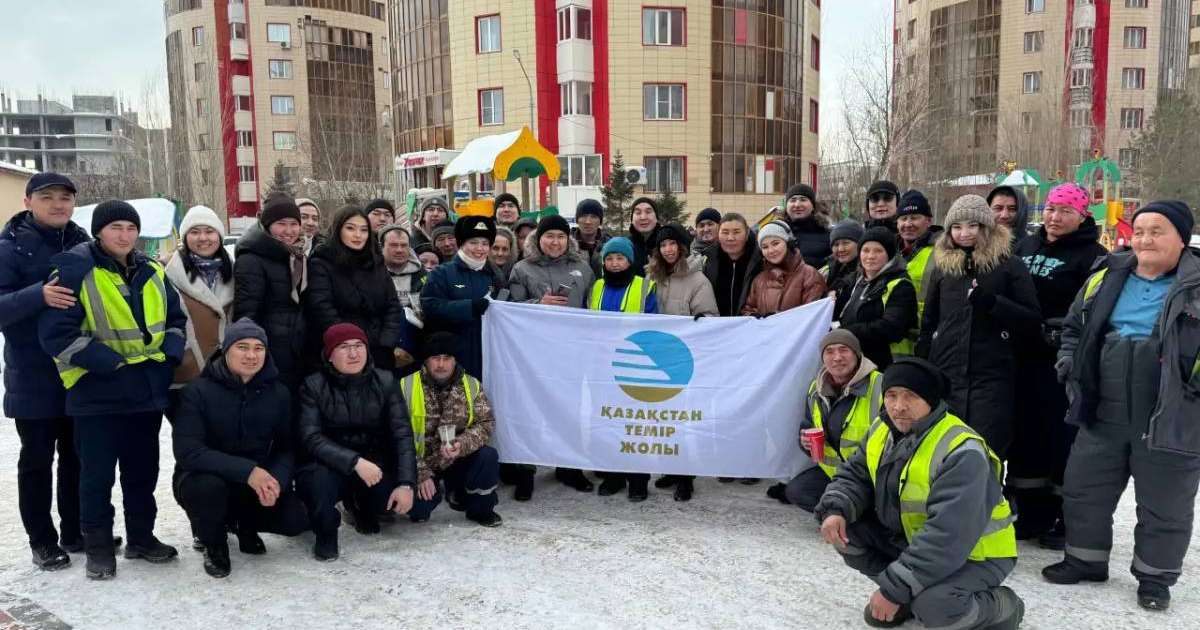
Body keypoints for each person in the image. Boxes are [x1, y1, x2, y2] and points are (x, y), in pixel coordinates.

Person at [1042, 202, 1200, 612]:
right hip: (1103, 403)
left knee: (1165, 501)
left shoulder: (1195, 284)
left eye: (1157, 231)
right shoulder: (1108, 273)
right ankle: (1085, 560)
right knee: (1085, 487)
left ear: (1182, 238)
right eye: (1141, 230)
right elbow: (1074, 326)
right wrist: (1068, 363)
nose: (1145, 239)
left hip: (1171, 412)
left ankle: (1155, 578)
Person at [39, 200, 189, 580]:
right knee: (96, 477)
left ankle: (141, 537)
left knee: (142, 472)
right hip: (96, 393)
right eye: (116, 227)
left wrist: (171, 351)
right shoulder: (74, 270)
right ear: (100, 231)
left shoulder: (152, 269)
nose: (124, 235)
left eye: (130, 228)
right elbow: (56, 334)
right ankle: (99, 549)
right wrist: (106, 364)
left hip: (145, 391)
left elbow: (175, 316)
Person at [815, 358, 1024, 629]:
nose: (899, 407)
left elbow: (947, 536)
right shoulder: (882, 428)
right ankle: (909, 594)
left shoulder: (961, 451)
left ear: (931, 400)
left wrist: (892, 590)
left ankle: (1005, 608)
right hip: (918, 544)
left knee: (937, 609)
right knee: (847, 533)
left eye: (910, 396)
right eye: (891, 395)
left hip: (975, 554)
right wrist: (836, 509)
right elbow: (854, 474)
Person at [1008, 182, 1107, 548]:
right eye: (1050, 209)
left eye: (1065, 211)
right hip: (1023, 358)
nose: (1055, 217)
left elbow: (1093, 310)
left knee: (1062, 440)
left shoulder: (1092, 255)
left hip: (1062, 362)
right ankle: (1031, 515)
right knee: (1026, 436)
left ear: (1082, 215)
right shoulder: (1026, 245)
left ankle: (1064, 520)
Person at [0, 173, 90, 570]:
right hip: (33, 376)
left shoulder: (84, 242)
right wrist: (38, 295)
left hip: (79, 371)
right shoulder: (9, 249)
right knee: (37, 461)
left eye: (65, 198)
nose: (58, 204)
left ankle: (75, 531)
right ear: (28, 201)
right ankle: (42, 540)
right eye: (48, 197)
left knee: (78, 457)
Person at [172, 319, 308, 578]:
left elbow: (286, 447)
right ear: (226, 350)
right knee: (208, 489)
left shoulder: (278, 393)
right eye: (242, 347)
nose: (251, 355)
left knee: (295, 519)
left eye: (259, 348)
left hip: (252, 482)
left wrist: (275, 480)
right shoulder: (197, 392)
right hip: (202, 479)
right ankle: (214, 543)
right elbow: (189, 452)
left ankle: (243, 524)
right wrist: (248, 471)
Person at [916, 195, 1041, 458]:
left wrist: (994, 303)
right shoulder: (942, 268)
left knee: (984, 453)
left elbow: (1030, 320)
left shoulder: (1009, 265)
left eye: (972, 226)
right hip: (947, 375)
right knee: (943, 454)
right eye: (957, 227)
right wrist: (925, 361)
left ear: (986, 227)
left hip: (990, 379)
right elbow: (929, 321)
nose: (964, 233)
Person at [296, 323, 417, 561]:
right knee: (318, 484)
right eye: (344, 347)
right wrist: (354, 462)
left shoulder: (385, 381)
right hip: (329, 465)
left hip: (373, 463)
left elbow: (402, 434)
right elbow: (311, 437)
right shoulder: (313, 385)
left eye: (359, 346)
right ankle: (326, 532)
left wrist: (406, 483)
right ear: (329, 355)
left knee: (392, 504)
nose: (353, 354)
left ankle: (360, 503)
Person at [506, 215, 596, 499]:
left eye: (560, 236)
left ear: (568, 240)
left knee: (569, 411)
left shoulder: (582, 267)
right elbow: (510, 308)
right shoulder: (522, 269)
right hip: (533, 354)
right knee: (529, 411)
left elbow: (593, 308)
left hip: (572, 353)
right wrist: (538, 303)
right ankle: (526, 471)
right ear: (538, 239)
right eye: (549, 236)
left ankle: (568, 466)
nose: (555, 242)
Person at [767, 330, 881, 511]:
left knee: (861, 505)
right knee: (798, 491)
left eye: (844, 350)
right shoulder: (816, 388)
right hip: (835, 474)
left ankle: (851, 514)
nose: (837, 357)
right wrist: (804, 442)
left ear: (857, 354)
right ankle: (843, 511)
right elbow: (807, 426)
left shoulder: (880, 386)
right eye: (829, 351)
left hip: (871, 476)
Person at [646, 223, 718, 502]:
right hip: (657, 358)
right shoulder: (652, 276)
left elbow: (709, 316)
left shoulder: (697, 280)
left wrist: (700, 324)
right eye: (663, 245)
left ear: (683, 247)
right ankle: (670, 469)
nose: (668, 249)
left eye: (673, 244)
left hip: (686, 359)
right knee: (664, 420)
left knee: (685, 420)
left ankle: (686, 476)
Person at [403, 332, 503, 527]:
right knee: (419, 510)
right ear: (426, 360)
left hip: (456, 458)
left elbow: (486, 423)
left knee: (487, 456)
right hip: (421, 462)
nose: (441, 364)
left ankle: (480, 508)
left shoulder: (472, 385)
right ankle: (432, 496)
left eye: (447, 358)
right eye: (435, 358)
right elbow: (396, 436)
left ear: (455, 360)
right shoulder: (405, 386)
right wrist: (420, 472)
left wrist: (461, 444)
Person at [589, 237, 658, 501]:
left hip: (633, 365)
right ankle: (613, 475)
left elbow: (654, 325)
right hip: (602, 366)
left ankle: (638, 479)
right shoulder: (596, 286)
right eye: (609, 258)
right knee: (607, 421)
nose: (615, 264)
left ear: (630, 261)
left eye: (620, 258)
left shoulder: (645, 287)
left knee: (633, 424)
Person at [305, 205, 411, 373]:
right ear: (338, 229)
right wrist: (353, 345)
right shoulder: (322, 262)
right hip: (342, 351)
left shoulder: (375, 262)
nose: (357, 235)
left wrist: (386, 343)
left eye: (363, 230)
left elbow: (392, 305)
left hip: (379, 351)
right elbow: (322, 309)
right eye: (350, 228)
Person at [164, 205, 235, 421]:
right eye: (195, 232)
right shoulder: (167, 275)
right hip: (184, 378)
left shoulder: (235, 273)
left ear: (219, 236)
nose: (203, 238)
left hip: (227, 376)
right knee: (191, 447)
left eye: (209, 231)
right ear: (185, 238)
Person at [233, 198, 308, 390]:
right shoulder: (251, 259)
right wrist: (253, 353)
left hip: (297, 349)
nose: (288, 231)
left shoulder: (297, 256)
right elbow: (246, 312)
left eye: (294, 224)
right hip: (270, 352)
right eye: (281, 224)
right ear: (267, 226)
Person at [420, 215, 501, 380]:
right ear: (461, 243)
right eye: (473, 242)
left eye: (485, 244)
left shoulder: (494, 275)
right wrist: (469, 307)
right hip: (452, 356)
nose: (480, 248)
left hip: (487, 353)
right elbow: (430, 307)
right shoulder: (442, 273)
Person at [837, 227, 918, 369]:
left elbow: (891, 328)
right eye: (866, 250)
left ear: (890, 254)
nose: (870, 256)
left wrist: (848, 332)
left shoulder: (900, 284)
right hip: (855, 360)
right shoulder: (856, 281)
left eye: (878, 251)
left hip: (887, 363)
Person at [741, 221, 827, 317]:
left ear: (789, 243)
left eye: (775, 243)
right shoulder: (759, 280)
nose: (771, 250)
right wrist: (757, 317)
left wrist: (780, 320)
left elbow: (812, 316)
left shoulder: (810, 275)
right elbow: (748, 311)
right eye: (765, 247)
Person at [896, 190, 943, 341]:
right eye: (903, 218)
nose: (908, 224)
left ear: (928, 221)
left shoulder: (943, 250)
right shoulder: (888, 250)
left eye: (914, 218)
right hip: (896, 336)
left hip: (928, 337)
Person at [702, 213, 763, 317]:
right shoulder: (708, 261)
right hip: (717, 327)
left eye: (736, 232)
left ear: (747, 233)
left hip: (750, 326)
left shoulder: (761, 261)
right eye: (725, 232)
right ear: (718, 234)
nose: (730, 238)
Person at [379, 224, 426, 326]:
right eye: (393, 245)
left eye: (404, 245)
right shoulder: (369, 274)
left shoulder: (424, 277)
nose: (399, 250)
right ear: (381, 247)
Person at [781, 184, 832, 268]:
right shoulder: (777, 233)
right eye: (793, 200)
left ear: (813, 206)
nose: (797, 205)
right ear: (786, 206)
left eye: (803, 200)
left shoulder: (828, 235)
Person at [824, 219, 863, 319]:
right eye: (836, 244)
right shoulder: (828, 269)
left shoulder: (867, 272)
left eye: (846, 243)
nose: (840, 249)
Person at [572, 198, 610, 276]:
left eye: (593, 217)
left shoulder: (610, 245)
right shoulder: (565, 245)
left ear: (600, 221)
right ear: (577, 219)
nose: (588, 221)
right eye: (584, 216)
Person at [987, 185, 1032, 250]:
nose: (1004, 215)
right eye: (998, 208)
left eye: (1012, 209)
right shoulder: (975, 244)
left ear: (1022, 211)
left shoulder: (1033, 249)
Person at [627, 197, 660, 275]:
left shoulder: (667, 243)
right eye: (638, 213)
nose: (643, 217)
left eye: (648, 212)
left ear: (657, 218)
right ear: (632, 219)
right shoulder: (625, 245)